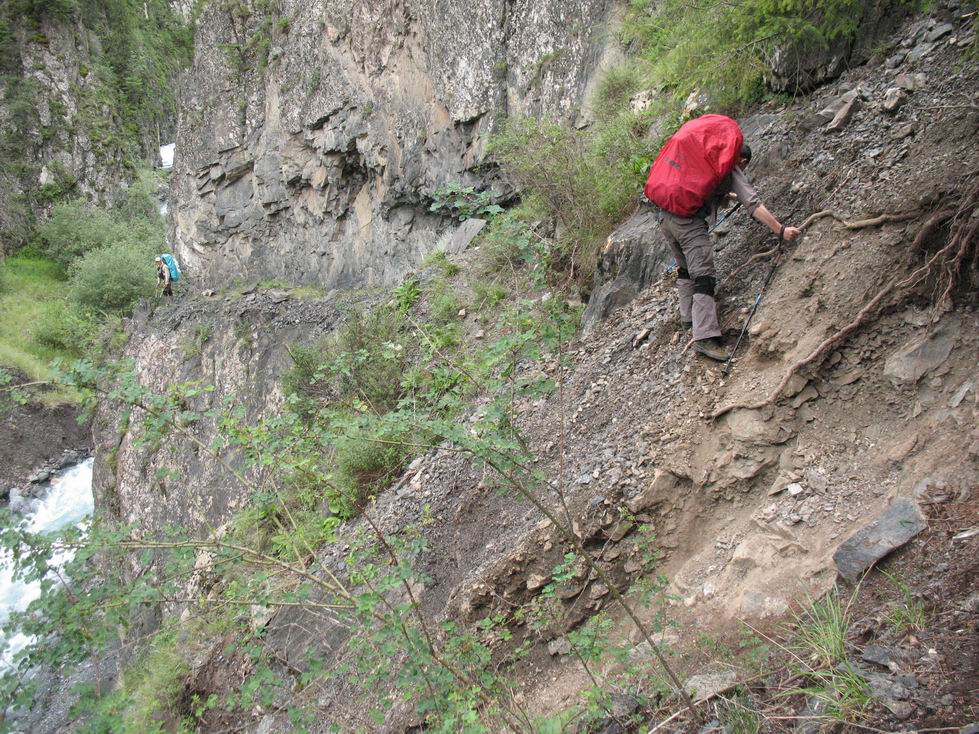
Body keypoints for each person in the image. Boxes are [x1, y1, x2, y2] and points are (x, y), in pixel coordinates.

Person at [659, 143, 801, 361]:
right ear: (741, 160)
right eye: (744, 166)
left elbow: (712, 190)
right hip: (688, 224)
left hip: (666, 217)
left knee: (685, 268)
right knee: (704, 276)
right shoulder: (730, 168)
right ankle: (704, 336)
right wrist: (781, 230)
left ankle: (688, 317)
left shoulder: (707, 163)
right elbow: (753, 204)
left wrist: (733, 196)